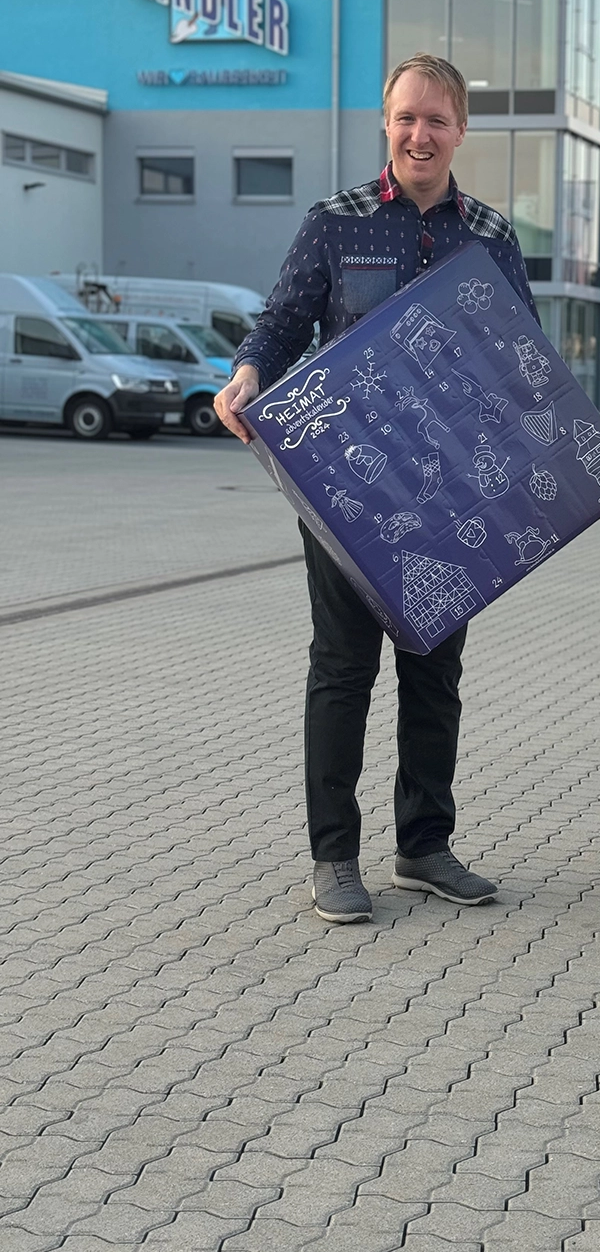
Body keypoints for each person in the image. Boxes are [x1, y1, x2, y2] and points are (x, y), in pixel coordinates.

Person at [215, 54, 537, 924]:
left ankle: (424, 847)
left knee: (436, 673)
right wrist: (247, 375)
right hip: (346, 493)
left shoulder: (492, 239)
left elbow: (519, 360)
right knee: (343, 670)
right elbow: (281, 323)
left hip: (449, 499)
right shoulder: (335, 223)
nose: (418, 135)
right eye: (404, 118)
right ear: (384, 125)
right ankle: (334, 858)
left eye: (436, 120)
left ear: (460, 130)